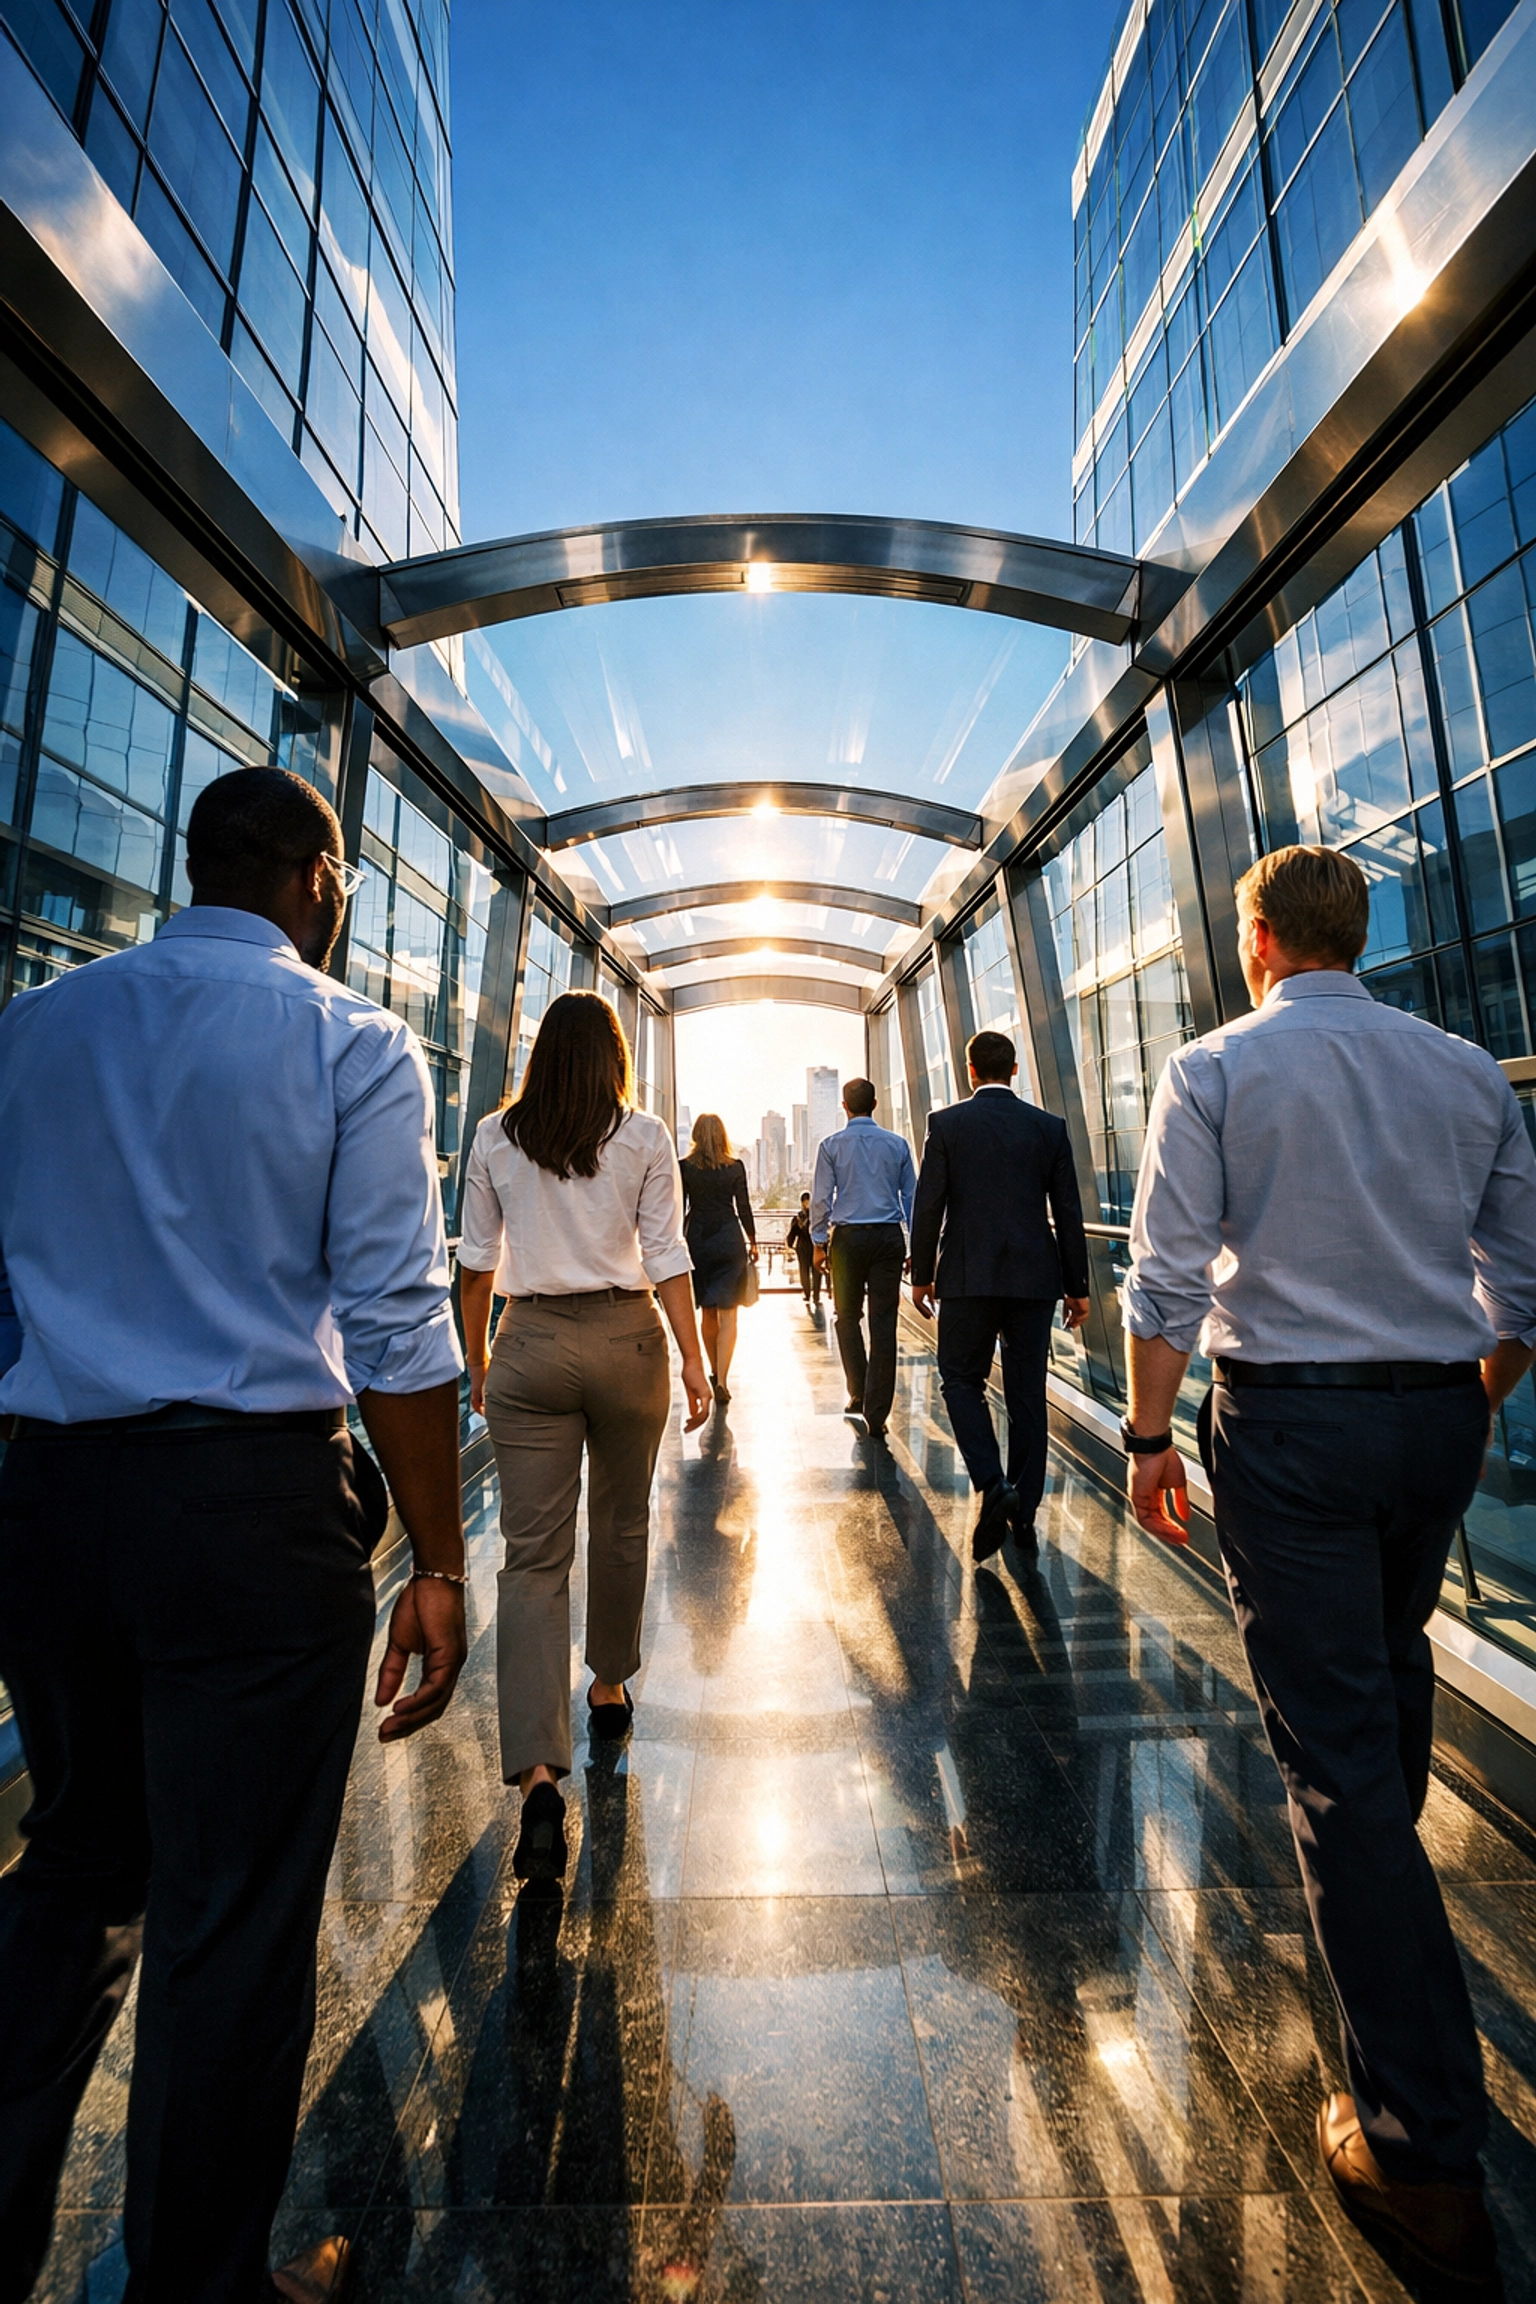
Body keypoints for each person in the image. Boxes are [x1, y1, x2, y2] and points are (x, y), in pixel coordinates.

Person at [0, 766, 469, 2304]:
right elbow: (399, 1322)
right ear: (317, 878)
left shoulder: (39, 1028)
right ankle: (198, 2284)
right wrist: (438, 1560)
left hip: (55, 1500)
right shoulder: (350, 1040)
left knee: (74, 1867)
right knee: (234, 1915)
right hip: (254, 1513)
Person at [1121, 844, 1536, 2294]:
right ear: (1356, 937)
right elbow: (1525, 1281)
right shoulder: (1468, 1071)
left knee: (1338, 1768)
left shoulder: (1218, 1068)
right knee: (1386, 1681)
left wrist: (1151, 1436)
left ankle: (1423, 2151)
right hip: (1435, 1417)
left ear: (1257, 940)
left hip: (1291, 1427)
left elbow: (1169, 1274)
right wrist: (1465, 1394)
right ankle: (1390, 1919)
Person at [458, 993, 710, 1887]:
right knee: (622, 1525)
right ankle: (608, 1685)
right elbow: (668, 1254)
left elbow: (475, 1263)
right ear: (613, 1056)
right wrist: (694, 1361)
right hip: (626, 1339)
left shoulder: (495, 1136)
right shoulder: (643, 1135)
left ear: (540, 1055)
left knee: (530, 1560)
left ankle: (536, 1777)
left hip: (528, 1341)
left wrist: (479, 1362)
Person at [910, 1029, 1092, 1559]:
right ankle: (1025, 1516)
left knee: (960, 1380)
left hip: (967, 1279)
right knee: (1026, 1395)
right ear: (1015, 1070)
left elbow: (928, 1206)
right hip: (1035, 1280)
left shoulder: (946, 1125)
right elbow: (1069, 1214)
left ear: (970, 1070)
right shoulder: (1048, 1129)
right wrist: (1076, 1288)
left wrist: (922, 1275)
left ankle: (994, 1485)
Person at [811, 1079, 917, 1439]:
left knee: (846, 1317)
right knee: (883, 1324)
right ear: (874, 1103)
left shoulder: (831, 1146)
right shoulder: (897, 1144)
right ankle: (877, 1412)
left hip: (848, 1242)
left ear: (845, 1106)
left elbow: (822, 1199)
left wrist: (818, 1242)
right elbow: (911, 1200)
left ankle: (857, 1390)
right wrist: (914, 1246)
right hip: (888, 1239)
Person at [679, 1113, 759, 1406]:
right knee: (729, 1313)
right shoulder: (735, 1167)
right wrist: (753, 1240)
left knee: (707, 1312)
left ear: (697, 1135)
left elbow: (678, 1208)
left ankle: (714, 1371)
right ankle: (723, 1379)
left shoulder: (685, 1168)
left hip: (698, 1239)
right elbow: (744, 1207)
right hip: (728, 1238)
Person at [785, 1192, 820, 1307]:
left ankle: (808, 1294)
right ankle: (815, 1295)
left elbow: (792, 1234)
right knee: (815, 1272)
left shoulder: (798, 1217)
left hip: (802, 1247)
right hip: (814, 1246)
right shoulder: (816, 1216)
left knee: (804, 1271)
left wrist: (789, 1245)